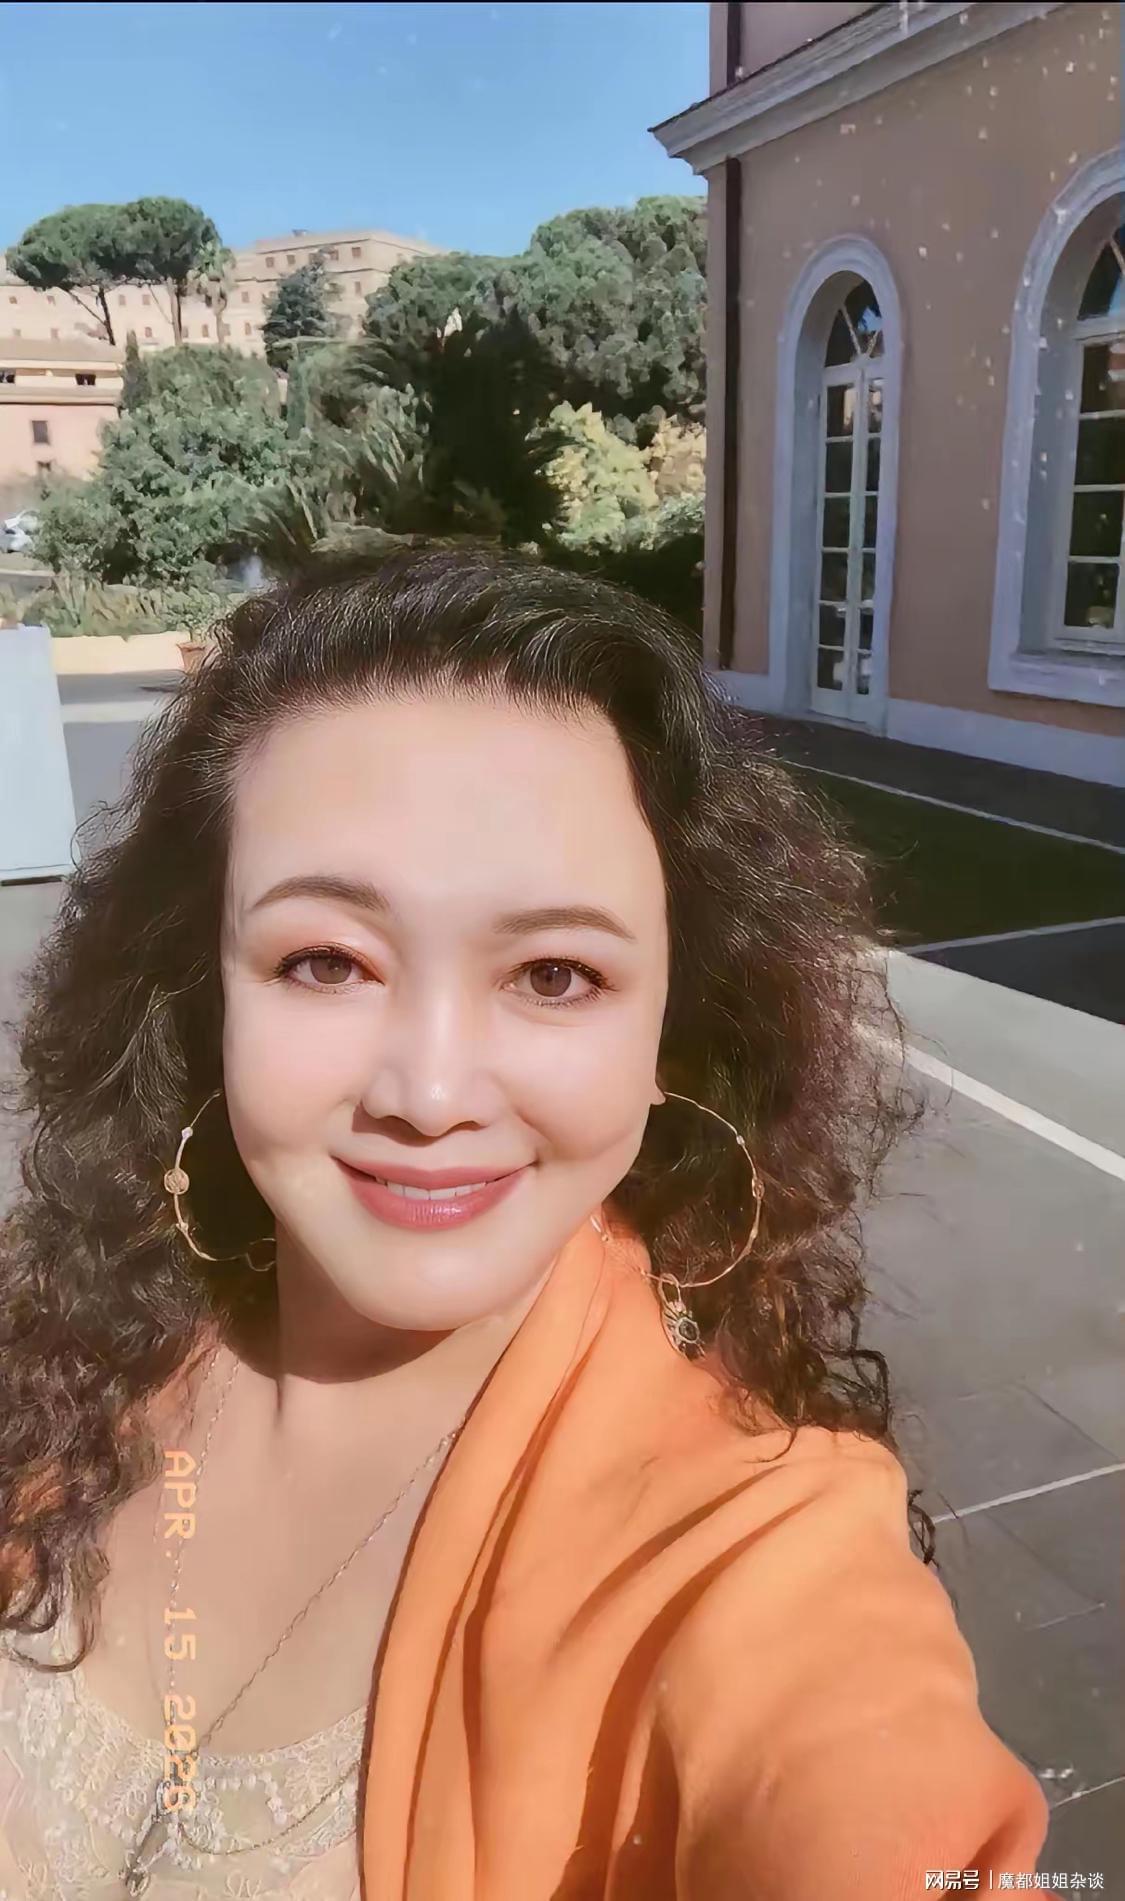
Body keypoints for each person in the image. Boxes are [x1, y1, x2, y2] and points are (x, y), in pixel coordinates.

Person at [0, 546, 1049, 1899]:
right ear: (208, 990)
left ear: (674, 1029)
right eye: (326, 960)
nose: (431, 1093)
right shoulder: (81, 1337)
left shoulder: (755, 1550)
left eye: (554, 974)